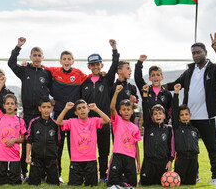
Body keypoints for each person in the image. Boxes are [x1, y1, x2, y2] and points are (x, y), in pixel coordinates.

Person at [165, 33, 216, 185]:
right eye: (193, 53)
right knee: (189, 150)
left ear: (205, 52)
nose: (195, 55)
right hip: (189, 118)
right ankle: (194, 174)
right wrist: (158, 86)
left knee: (212, 149)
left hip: (207, 117)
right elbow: (176, 83)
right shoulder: (190, 71)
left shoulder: (213, 69)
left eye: (198, 52)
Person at [8, 37, 52, 179]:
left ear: (43, 57)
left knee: (41, 143)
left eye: (39, 55)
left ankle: (43, 173)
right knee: (26, 141)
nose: (37, 58)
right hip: (27, 113)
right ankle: (23, 172)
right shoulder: (24, 70)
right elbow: (11, 63)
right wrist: (18, 47)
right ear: (30, 57)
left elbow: (52, 90)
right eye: (35, 55)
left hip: (42, 114)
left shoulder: (47, 73)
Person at [41, 50, 89, 182]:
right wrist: (26, 64)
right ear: (60, 61)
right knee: (58, 146)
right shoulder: (54, 71)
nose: (66, 61)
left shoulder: (79, 74)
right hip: (59, 116)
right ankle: (57, 174)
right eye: (64, 59)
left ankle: (79, 175)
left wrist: (102, 74)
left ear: (73, 61)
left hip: (74, 118)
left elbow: (92, 77)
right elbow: (40, 65)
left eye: (69, 59)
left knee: (76, 146)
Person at [80, 39, 119, 182]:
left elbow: (115, 65)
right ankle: (86, 175)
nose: (95, 67)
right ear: (89, 66)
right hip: (87, 123)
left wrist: (114, 48)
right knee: (86, 150)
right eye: (92, 65)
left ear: (101, 65)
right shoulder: (84, 82)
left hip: (103, 121)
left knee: (103, 151)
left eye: (98, 64)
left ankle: (103, 175)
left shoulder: (107, 79)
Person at [56, 100, 110, 186]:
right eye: (79, 109)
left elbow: (107, 120)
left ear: (88, 109)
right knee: (74, 185)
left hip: (91, 160)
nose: (82, 110)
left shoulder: (94, 121)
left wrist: (96, 109)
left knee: (91, 185)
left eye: (84, 107)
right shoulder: (72, 122)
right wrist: (66, 109)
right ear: (76, 112)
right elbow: (58, 122)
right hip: (76, 160)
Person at [0, 76, 26, 185]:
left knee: (14, 182)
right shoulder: (0, 117)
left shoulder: (20, 120)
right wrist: (1, 85)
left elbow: (22, 139)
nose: (10, 105)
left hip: (14, 155)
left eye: (12, 103)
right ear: (4, 106)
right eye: (7, 104)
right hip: (0, 153)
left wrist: (14, 139)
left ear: (16, 105)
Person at [140, 84, 174, 186]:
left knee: (162, 184)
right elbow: (146, 109)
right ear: (152, 116)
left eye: (160, 113)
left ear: (164, 115)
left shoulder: (168, 129)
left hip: (162, 163)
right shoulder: (148, 126)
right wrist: (145, 96)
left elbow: (171, 147)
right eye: (155, 114)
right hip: (149, 162)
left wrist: (170, 161)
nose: (158, 115)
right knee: (145, 184)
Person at [107, 85, 141, 187]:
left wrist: (138, 163)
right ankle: (120, 181)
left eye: (128, 109)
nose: (126, 111)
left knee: (133, 184)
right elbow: (112, 108)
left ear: (132, 111)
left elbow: (136, 146)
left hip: (130, 158)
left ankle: (123, 181)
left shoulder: (135, 128)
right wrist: (116, 93)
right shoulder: (117, 121)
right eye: (124, 109)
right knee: (111, 183)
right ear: (120, 111)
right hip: (118, 155)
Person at [25, 97, 60, 186]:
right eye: (44, 107)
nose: (46, 110)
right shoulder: (34, 123)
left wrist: (54, 154)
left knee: (54, 184)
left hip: (51, 159)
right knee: (33, 183)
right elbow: (29, 140)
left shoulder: (55, 124)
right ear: (39, 108)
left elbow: (58, 142)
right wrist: (27, 156)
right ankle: (31, 177)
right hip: (37, 158)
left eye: (49, 107)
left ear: (52, 108)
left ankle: (50, 176)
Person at [172, 84, 199, 185]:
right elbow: (174, 110)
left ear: (190, 115)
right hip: (181, 159)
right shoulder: (177, 127)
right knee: (181, 183)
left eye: (186, 114)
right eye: (182, 115)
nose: (184, 117)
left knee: (191, 184)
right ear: (179, 117)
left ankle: (196, 175)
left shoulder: (194, 129)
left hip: (193, 160)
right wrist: (176, 93)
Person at [134, 55, 172, 121]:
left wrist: (166, 120)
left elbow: (170, 110)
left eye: (158, 75)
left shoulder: (167, 93)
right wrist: (139, 63)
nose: (155, 77)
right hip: (149, 126)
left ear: (162, 77)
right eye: (153, 75)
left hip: (163, 126)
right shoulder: (146, 89)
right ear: (149, 78)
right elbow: (138, 78)